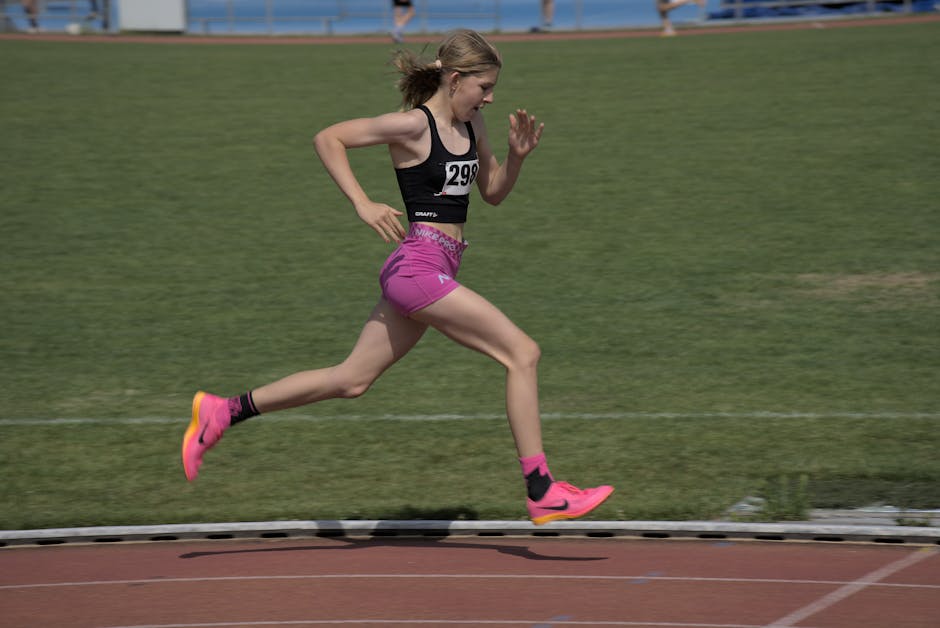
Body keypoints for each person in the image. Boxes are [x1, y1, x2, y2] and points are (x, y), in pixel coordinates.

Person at [181, 29, 614, 526]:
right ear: (455, 79)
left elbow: (491, 193)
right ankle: (541, 489)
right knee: (523, 353)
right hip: (418, 267)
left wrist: (516, 158)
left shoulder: (473, 128)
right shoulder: (413, 126)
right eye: (484, 87)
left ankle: (223, 412)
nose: (490, 97)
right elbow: (329, 138)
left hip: (437, 266)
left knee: (350, 380)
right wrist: (363, 203)